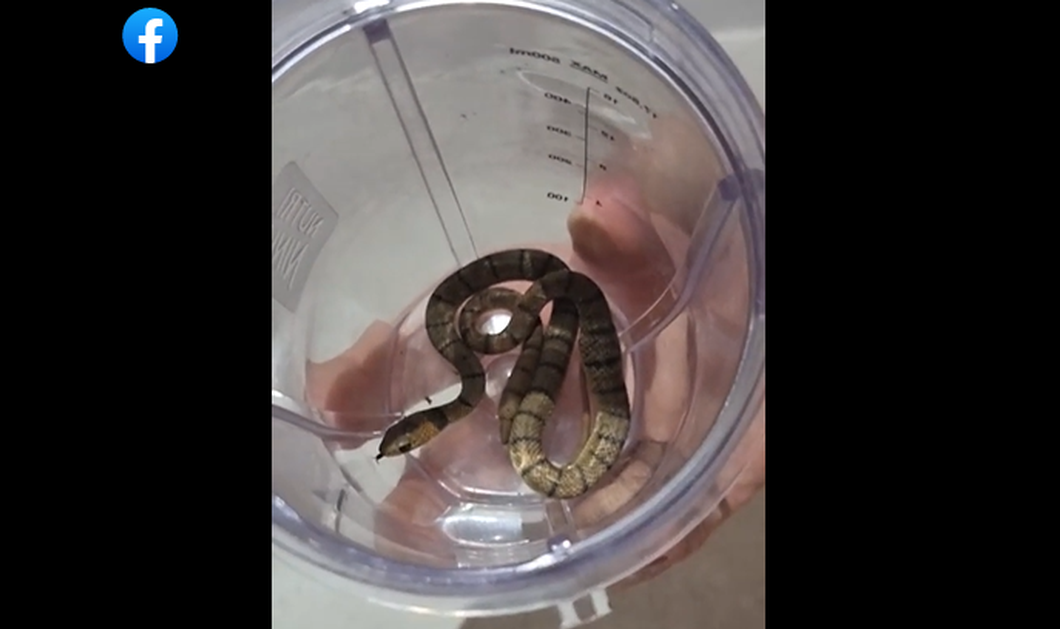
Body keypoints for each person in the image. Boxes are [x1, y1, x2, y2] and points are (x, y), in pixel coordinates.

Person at [305, 113, 765, 587]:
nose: (402, 445)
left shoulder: (486, 359)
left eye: (404, 441)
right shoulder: (475, 374)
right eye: (405, 443)